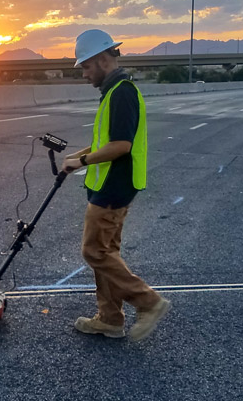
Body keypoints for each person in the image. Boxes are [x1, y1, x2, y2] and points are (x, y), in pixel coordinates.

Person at [60, 29, 172, 341]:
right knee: (106, 252)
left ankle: (148, 302)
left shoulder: (122, 92)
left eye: (85, 67)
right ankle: (110, 319)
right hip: (110, 184)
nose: (84, 74)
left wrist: (81, 163)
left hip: (114, 186)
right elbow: (106, 141)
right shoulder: (113, 92)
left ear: (101, 60)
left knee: (94, 251)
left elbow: (121, 145)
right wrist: (80, 154)